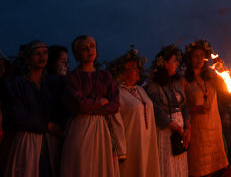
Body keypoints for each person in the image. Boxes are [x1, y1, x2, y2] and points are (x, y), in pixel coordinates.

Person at [60, 35, 121, 177]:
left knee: (100, 165)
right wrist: (100, 101)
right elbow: (78, 103)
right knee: (82, 165)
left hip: (102, 129)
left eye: (92, 46)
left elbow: (115, 105)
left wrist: (89, 107)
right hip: (80, 126)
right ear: (76, 54)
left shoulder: (105, 76)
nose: (89, 50)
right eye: (84, 48)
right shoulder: (73, 77)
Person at [3, 40, 66, 177]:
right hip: (27, 141)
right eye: (37, 54)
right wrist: (47, 125)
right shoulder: (18, 84)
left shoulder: (52, 83)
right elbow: (17, 116)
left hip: (50, 142)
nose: (42, 56)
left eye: (44, 53)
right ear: (27, 59)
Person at [110, 48, 161, 177]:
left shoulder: (140, 90)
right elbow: (115, 123)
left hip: (147, 141)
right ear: (123, 73)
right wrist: (121, 150)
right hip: (131, 144)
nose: (138, 70)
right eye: (133, 67)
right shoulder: (117, 93)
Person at [181, 40, 228, 177]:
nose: (199, 58)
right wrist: (195, 109)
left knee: (216, 171)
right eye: (195, 55)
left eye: (202, 55)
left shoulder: (211, 76)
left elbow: (227, 89)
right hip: (198, 133)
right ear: (189, 59)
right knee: (200, 171)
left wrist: (221, 68)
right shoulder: (184, 81)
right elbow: (181, 107)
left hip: (214, 130)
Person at [146, 45, 190, 177]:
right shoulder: (154, 87)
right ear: (165, 64)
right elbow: (158, 113)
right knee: (168, 166)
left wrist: (188, 128)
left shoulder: (176, 83)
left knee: (180, 166)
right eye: (174, 61)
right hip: (166, 132)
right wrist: (178, 129)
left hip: (181, 132)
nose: (177, 63)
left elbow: (184, 106)